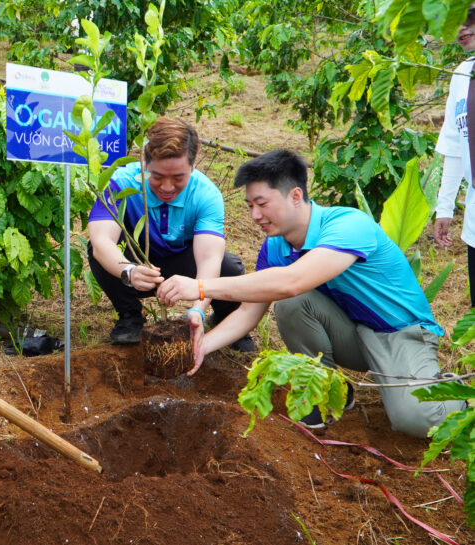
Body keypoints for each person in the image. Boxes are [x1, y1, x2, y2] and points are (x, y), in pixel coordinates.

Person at [156, 150, 466, 437]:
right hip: (353, 335)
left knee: (414, 421)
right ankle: (329, 391)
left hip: (402, 335)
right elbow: (249, 312)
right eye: (250, 206)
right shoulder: (275, 246)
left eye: (262, 204)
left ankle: (457, 394)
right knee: (292, 305)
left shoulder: (348, 225)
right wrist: (200, 346)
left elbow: (293, 280)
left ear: (295, 195)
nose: (255, 216)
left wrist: (199, 286)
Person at [87, 117, 255, 364]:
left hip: (183, 264)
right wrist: (129, 271)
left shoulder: (206, 195)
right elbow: (101, 241)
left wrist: (197, 307)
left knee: (229, 268)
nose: (167, 187)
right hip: (137, 262)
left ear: (193, 166)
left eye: (178, 177)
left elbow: (209, 258)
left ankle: (226, 319)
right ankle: (130, 316)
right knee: (97, 253)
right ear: (144, 162)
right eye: (156, 176)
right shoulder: (120, 182)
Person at [434, 4, 475, 307]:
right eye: (456, 24)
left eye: (471, 20)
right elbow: (454, 146)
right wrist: (444, 207)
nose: (462, 29)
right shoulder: (461, 75)